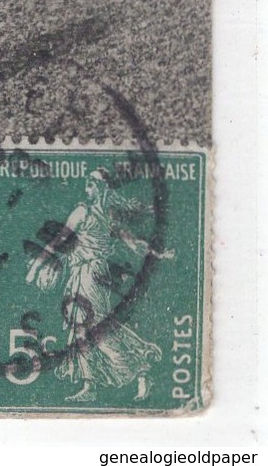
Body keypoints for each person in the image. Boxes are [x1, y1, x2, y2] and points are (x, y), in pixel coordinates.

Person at [26, 168, 172, 403]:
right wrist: (37, 267)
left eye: (93, 182)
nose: (88, 186)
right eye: (88, 182)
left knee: (94, 327)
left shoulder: (102, 216)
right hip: (80, 272)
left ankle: (140, 366)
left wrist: (158, 254)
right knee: (81, 327)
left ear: (104, 187)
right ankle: (90, 384)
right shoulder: (83, 211)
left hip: (92, 273)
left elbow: (134, 244)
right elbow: (59, 241)